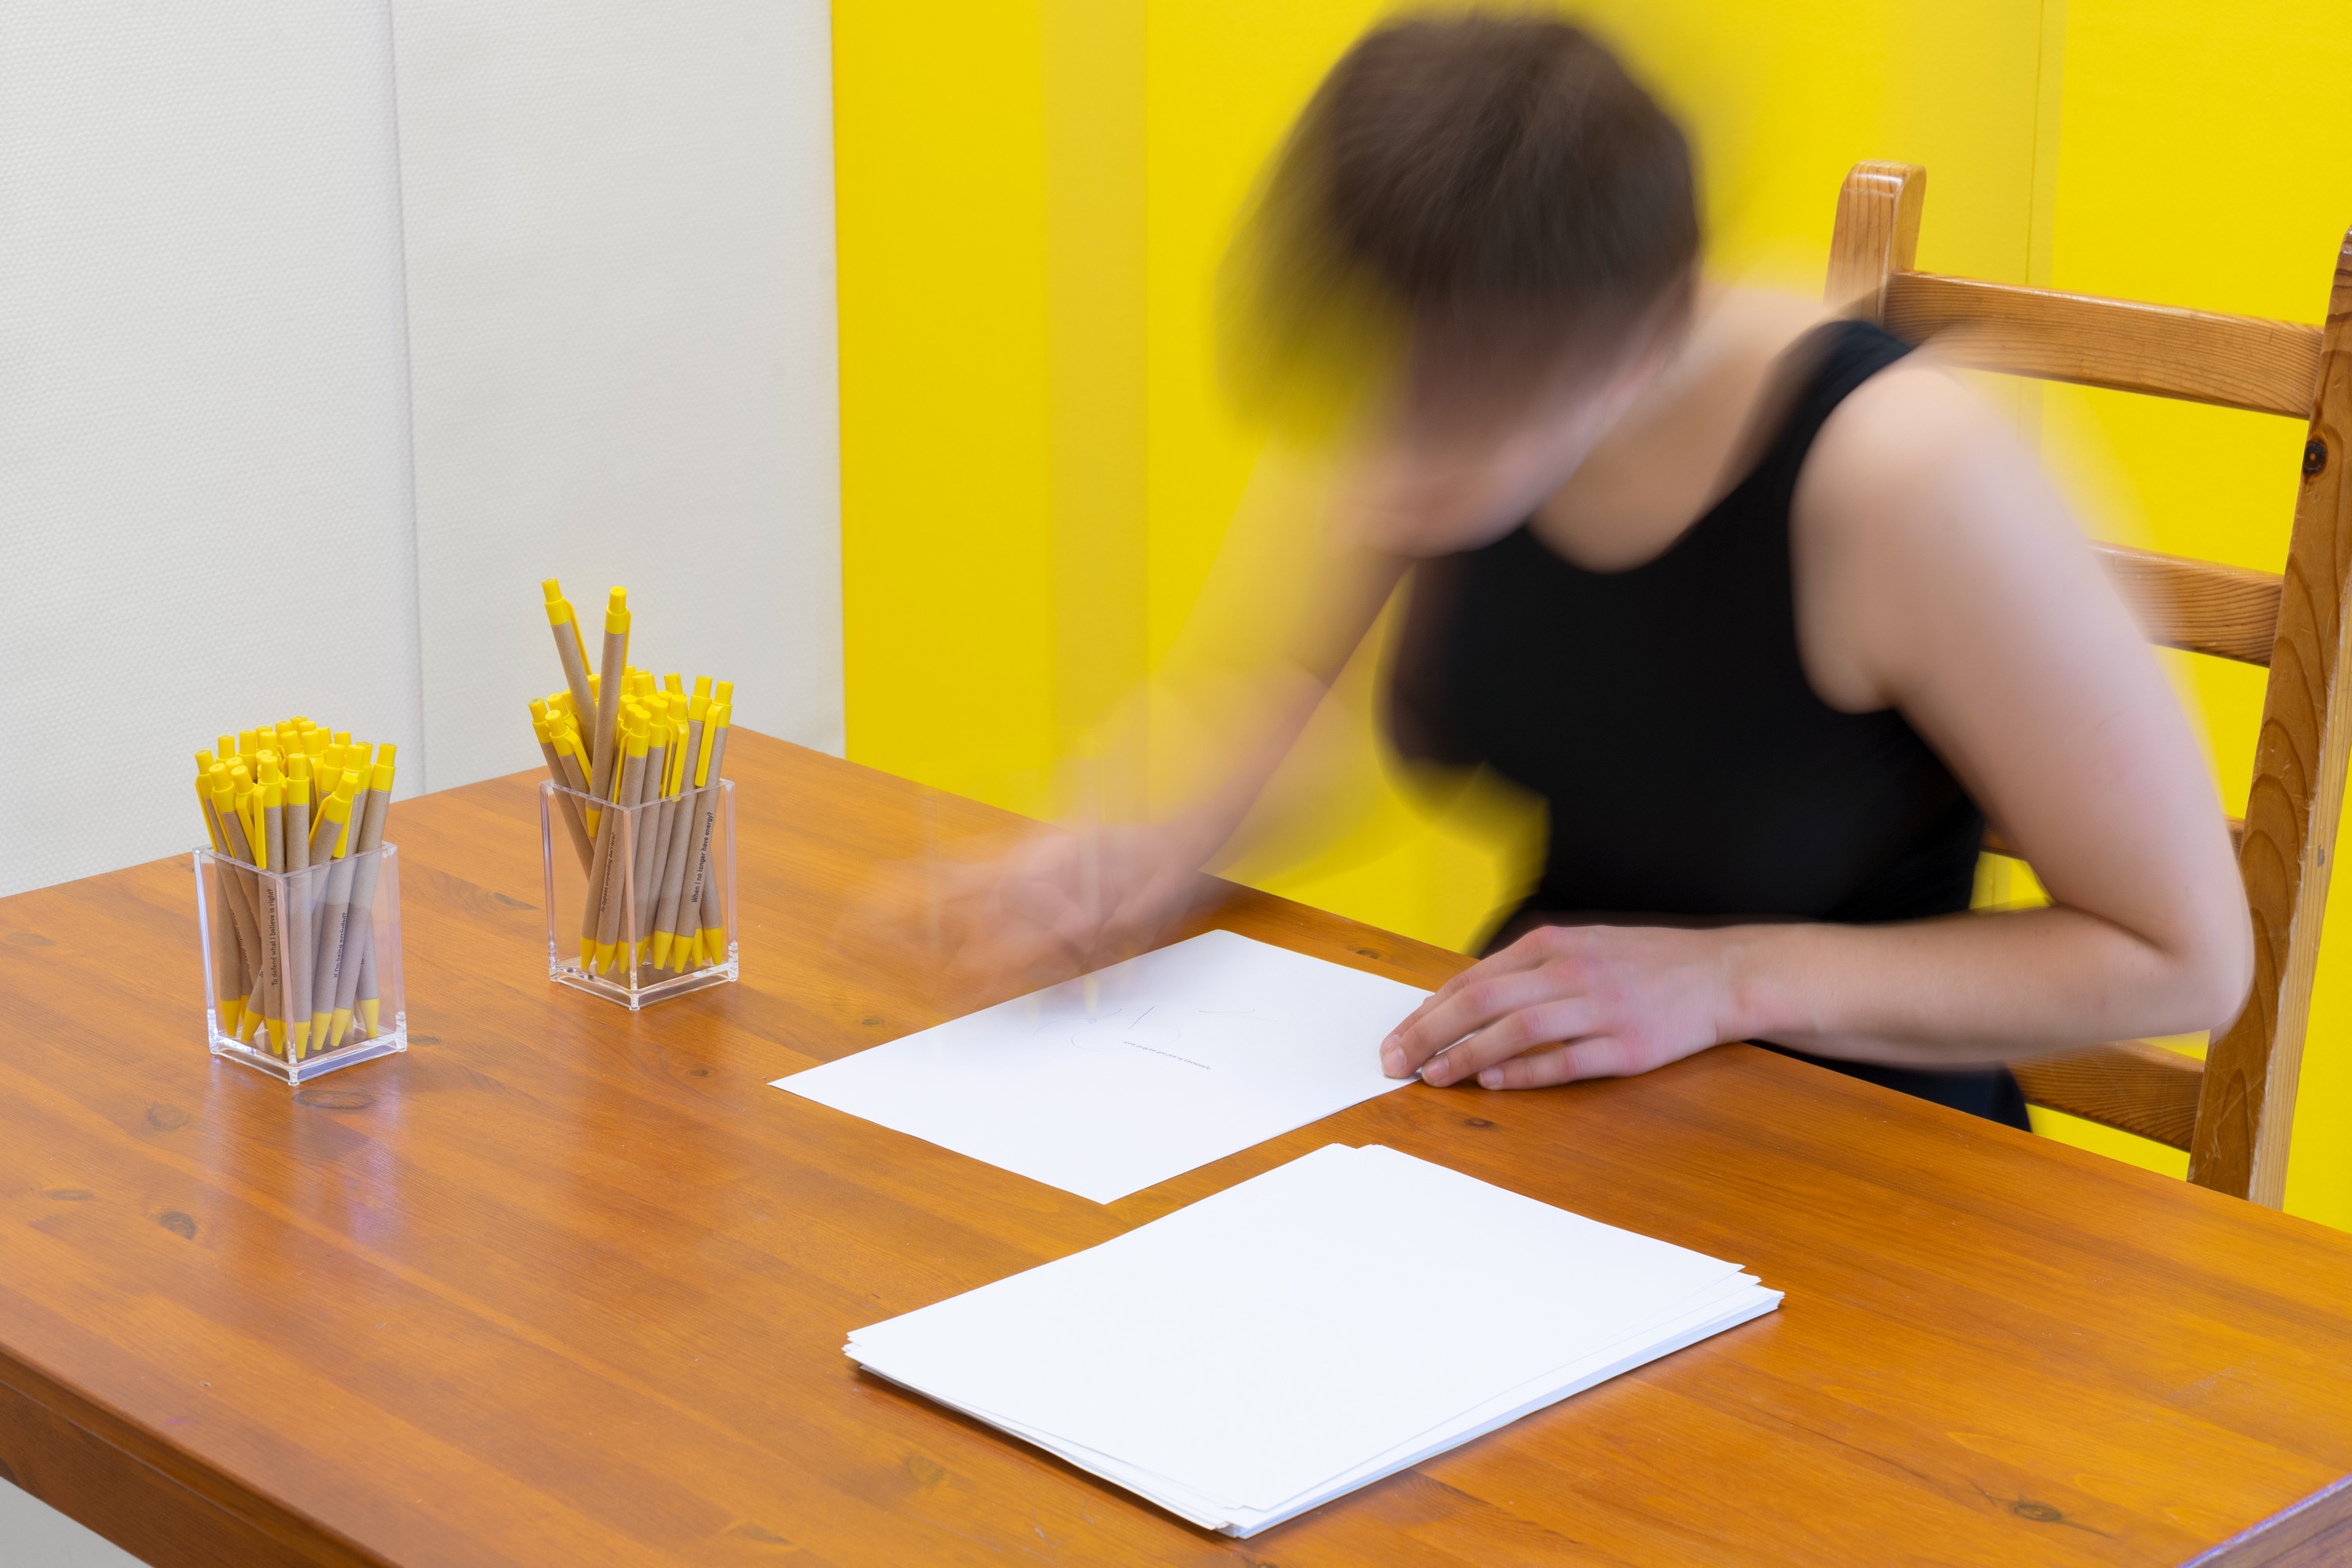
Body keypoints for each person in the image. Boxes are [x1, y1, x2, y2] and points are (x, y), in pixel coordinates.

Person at [925, 12, 2252, 1127]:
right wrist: (1133, 842)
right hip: (1561, 1115)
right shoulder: (1441, 350)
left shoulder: (1905, 475)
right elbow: (1284, 687)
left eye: (1440, 432)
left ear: (1631, 354)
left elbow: (2182, 959)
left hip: (1854, 1163)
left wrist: (1728, 979)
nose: (1381, 475)